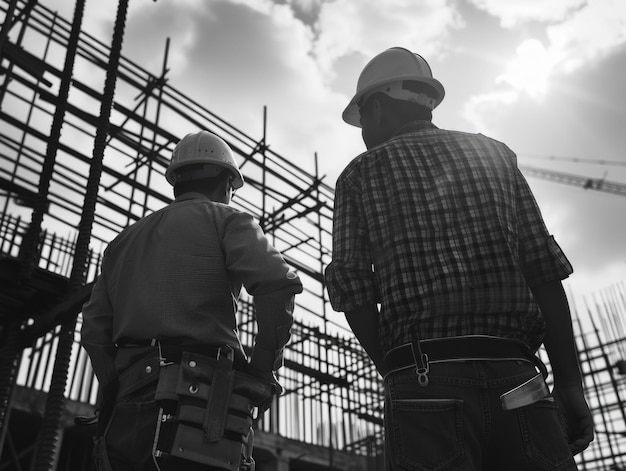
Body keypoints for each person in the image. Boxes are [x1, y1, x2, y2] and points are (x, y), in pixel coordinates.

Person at [325, 47, 594, 470]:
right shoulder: (495, 156)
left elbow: (353, 291)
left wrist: (398, 373)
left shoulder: (359, 174)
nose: (362, 134)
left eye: (362, 121)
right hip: (519, 375)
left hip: (424, 376)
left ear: (374, 106)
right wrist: (571, 384)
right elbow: (544, 272)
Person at [81, 130, 303, 471]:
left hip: (128, 408)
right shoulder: (228, 220)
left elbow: (95, 331)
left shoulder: (122, 243)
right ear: (228, 182)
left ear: (176, 182)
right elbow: (277, 285)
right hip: (201, 405)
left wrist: (120, 385)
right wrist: (262, 367)